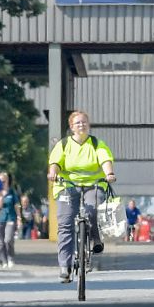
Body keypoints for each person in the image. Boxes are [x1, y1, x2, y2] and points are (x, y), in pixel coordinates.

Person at [47, 110, 116, 283]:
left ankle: (94, 238)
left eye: (84, 122)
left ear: (88, 125)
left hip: (93, 184)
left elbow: (105, 160)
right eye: (77, 123)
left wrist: (109, 173)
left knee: (92, 210)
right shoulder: (63, 145)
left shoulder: (96, 143)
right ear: (71, 127)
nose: (81, 125)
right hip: (67, 186)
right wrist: (53, 173)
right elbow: (55, 163)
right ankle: (65, 266)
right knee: (65, 224)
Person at [0, 172, 19, 268]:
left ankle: (10, 258)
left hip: (10, 217)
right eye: (0, 180)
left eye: (4, 180)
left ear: (8, 180)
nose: (2, 182)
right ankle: (3, 260)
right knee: (0, 241)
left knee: (8, 240)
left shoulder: (12, 191)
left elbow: (17, 205)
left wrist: (19, 217)